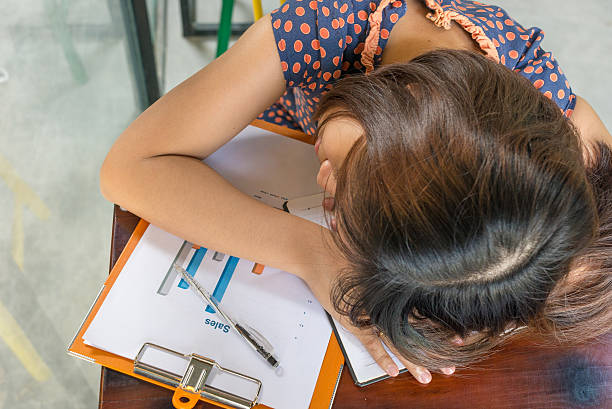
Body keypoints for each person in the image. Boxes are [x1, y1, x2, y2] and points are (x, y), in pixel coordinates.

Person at [99, 0, 612, 384]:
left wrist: (489, 283)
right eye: (341, 177)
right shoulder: (321, 28)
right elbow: (128, 168)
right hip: (270, 136)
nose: (325, 180)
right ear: (388, 98)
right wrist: (312, 251)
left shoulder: (548, 135)